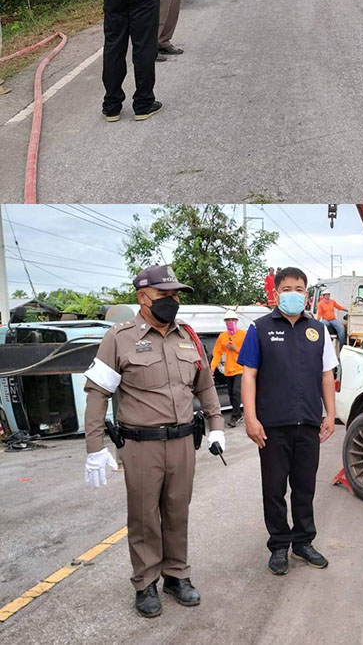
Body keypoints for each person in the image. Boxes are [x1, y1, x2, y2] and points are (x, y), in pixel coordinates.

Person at [82, 264, 224, 618]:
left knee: (177, 512)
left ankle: (177, 575)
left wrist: (216, 426)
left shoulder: (187, 336)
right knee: (144, 517)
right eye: (164, 295)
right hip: (141, 445)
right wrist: (95, 447)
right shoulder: (119, 337)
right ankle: (145, 583)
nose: (172, 301)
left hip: (182, 442)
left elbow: (205, 385)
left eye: (175, 295)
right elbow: (97, 393)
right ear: (142, 297)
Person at [238, 267, 336, 576]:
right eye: (287, 289)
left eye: (299, 289)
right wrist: (251, 418)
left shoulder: (318, 330)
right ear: (276, 293)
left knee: (304, 487)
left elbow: (327, 375)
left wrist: (330, 414)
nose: (294, 294)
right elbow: (249, 376)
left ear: (307, 294)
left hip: (308, 422)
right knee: (274, 489)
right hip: (272, 426)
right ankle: (279, 545)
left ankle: (303, 542)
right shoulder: (260, 328)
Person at [211, 309, 246, 427]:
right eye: (227, 320)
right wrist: (212, 368)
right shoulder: (223, 336)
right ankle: (238, 413)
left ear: (237, 321)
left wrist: (236, 349)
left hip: (240, 368)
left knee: (236, 391)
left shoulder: (243, 334)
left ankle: (236, 415)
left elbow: (249, 352)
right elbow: (217, 353)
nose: (230, 322)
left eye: (232, 320)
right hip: (228, 369)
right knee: (231, 393)